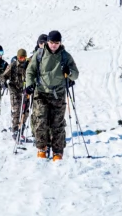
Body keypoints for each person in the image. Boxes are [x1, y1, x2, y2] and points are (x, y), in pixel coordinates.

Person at [25, 30, 79, 161]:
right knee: (40, 122)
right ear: (47, 42)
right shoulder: (39, 54)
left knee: (58, 125)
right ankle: (42, 148)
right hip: (41, 93)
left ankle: (57, 152)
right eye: (51, 42)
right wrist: (29, 84)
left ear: (60, 43)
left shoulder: (66, 56)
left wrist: (69, 72)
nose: (54, 45)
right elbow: (30, 71)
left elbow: (75, 74)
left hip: (58, 94)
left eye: (56, 42)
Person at [1, 48, 30, 139]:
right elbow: (3, 76)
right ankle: (15, 129)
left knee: (25, 110)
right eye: (20, 58)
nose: (22, 60)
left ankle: (22, 128)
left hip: (25, 90)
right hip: (14, 89)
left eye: (24, 58)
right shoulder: (12, 65)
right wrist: (3, 82)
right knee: (16, 109)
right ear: (17, 57)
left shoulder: (28, 65)